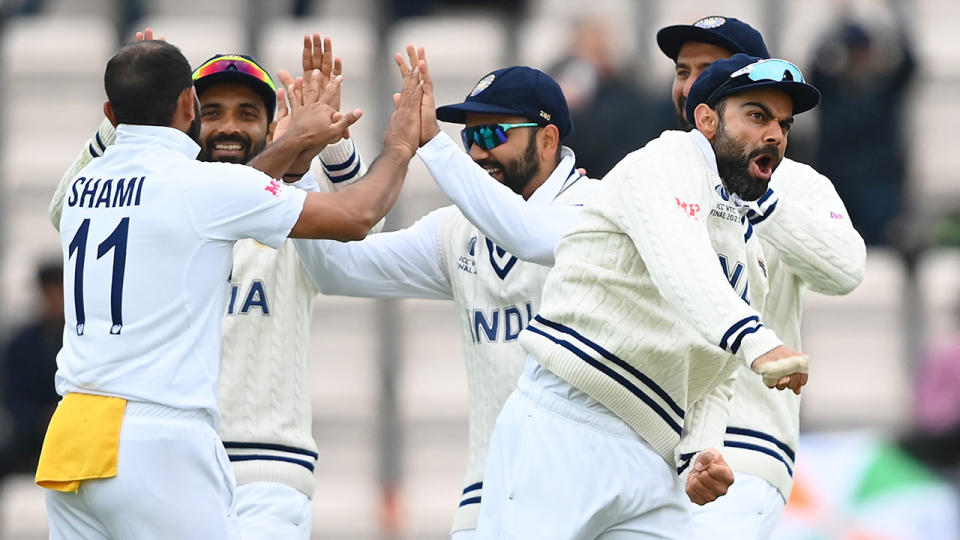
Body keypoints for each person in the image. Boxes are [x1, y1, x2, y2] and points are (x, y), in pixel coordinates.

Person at [36, 38, 423, 539]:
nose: (229, 125)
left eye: (247, 112)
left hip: (78, 434)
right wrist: (399, 144)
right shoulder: (200, 190)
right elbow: (356, 216)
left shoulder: (89, 186)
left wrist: (304, 152)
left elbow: (337, 248)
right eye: (211, 108)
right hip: (163, 438)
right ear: (188, 107)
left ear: (113, 112)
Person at [472, 53, 818, 539]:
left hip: (651, 457)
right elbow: (682, 262)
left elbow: (715, 373)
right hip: (565, 425)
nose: (775, 135)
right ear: (706, 118)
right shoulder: (665, 161)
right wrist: (758, 341)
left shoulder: (747, 247)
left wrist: (699, 452)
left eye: (783, 123)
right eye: (757, 115)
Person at [290, 50, 600, 539]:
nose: (477, 152)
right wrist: (304, 161)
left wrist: (433, 143)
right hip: (487, 493)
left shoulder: (598, 211)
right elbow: (335, 270)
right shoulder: (457, 231)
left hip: (583, 491)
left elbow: (530, 236)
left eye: (493, 134)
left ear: (548, 138)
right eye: (469, 136)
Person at [655, 16, 866, 538]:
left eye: (709, 69)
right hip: (649, 446)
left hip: (742, 449)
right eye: (683, 70)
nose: (690, 83)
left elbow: (846, 269)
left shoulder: (796, 182)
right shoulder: (653, 171)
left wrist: (758, 193)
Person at [0, 260, 63, 484]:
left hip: (74, 431)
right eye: (49, 293)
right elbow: (13, 397)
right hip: (32, 436)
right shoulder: (20, 344)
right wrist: (40, 420)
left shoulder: (83, 340)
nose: (55, 301)